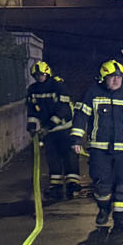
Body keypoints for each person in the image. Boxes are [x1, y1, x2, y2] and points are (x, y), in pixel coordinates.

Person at [72, 59, 123, 230]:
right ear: (103, 78)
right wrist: (76, 139)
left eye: (119, 77)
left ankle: (120, 218)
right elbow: (81, 117)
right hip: (100, 150)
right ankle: (104, 209)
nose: (116, 80)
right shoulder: (92, 94)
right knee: (101, 184)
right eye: (112, 77)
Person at [25, 61, 81, 200]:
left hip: (64, 128)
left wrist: (48, 126)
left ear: (48, 73)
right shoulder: (33, 90)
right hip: (48, 131)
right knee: (52, 157)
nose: (39, 77)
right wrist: (32, 127)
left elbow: (63, 109)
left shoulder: (58, 86)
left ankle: (72, 185)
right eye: (36, 75)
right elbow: (32, 110)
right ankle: (55, 186)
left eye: (42, 75)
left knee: (69, 156)